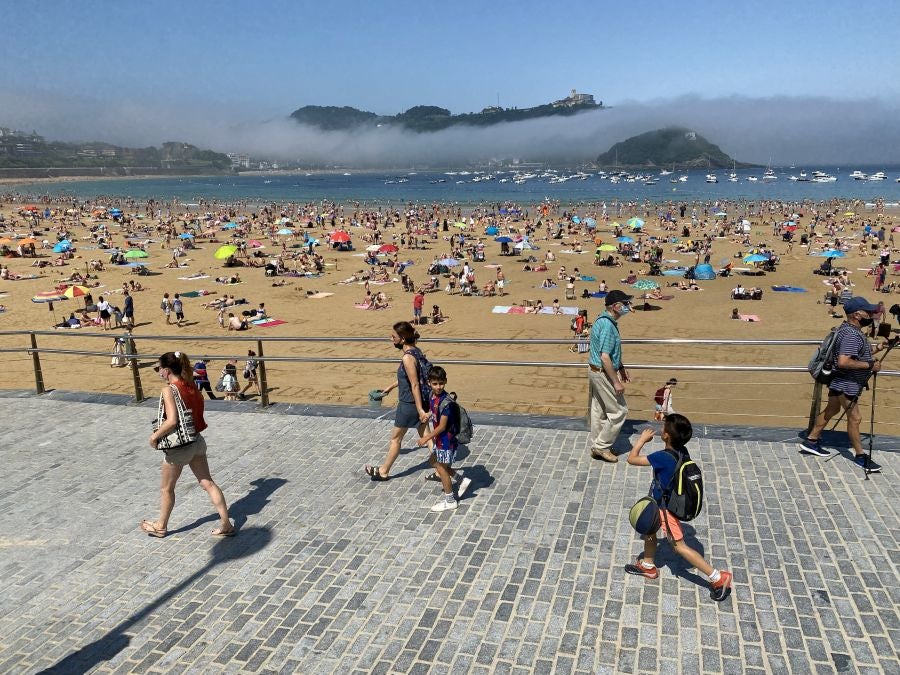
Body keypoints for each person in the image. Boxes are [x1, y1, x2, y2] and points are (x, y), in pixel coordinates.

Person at [624, 414, 733, 601]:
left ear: (666, 436)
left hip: (666, 508)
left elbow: (632, 459)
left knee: (680, 547)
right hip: (661, 503)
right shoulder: (682, 451)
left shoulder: (662, 457)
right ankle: (648, 566)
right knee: (650, 530)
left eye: (663, 428)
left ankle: (717, 577)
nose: (661, 429)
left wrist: (642, 439)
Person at [139, 351, 234, 538]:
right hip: (197, 441)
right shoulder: (191, 386)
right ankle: (226, 524)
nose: (158, 372)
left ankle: (160, 526)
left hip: (179, 448)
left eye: (159, 369)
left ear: (167, 371)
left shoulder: (169, 390)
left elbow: (172, 421)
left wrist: (154, 437)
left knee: (167, 488)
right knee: (208, 483)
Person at [800, 297, 888, 472]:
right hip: (846, 382)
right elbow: (844, 361)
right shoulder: (851, 334)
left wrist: (877, 349)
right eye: (867, 312)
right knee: (855, 418)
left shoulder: (846, 330)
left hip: (838, 380)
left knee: (832, 410)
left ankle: (811, 441)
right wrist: (871, 365)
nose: (870, 314)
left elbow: (856, 353)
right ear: (857, 314)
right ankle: (861, 456)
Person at [364, 321, 431, 481]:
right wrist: (391, 387)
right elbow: (410, 379)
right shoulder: (416, 351)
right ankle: (444, 466)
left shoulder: (408, 358)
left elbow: (414, 384)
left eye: (393, 336)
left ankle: (383, 471)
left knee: (396, 439)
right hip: (419, 401)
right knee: (428, 437)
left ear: (402, 339)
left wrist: (420, 410)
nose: (391, 338)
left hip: (409, 404)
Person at [416, 366, 472, 511]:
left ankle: (450, 500)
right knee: (434, 462)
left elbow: (441, 427)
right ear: (429, 383)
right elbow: (433, 411)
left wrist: (425, 438)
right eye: (435, 383)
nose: (438, 386)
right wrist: (428, 414)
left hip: (446, 441)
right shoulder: (432, 396)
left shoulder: (446, 403)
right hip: (440, 440)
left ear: (445, 381)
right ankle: (461, 480)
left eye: (441, 383)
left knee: (441, 468)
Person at [588, 289, 632, 462]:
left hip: (595, 370)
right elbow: (605, 356)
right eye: (625, 303)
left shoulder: (603, 320)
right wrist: (617, 382)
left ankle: (598, 445)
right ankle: (601, 446)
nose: (628, 306)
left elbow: (610, 353)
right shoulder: (608, 325)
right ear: (615, 306)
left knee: (598, 410)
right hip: (602, 372)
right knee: (619, 411)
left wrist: (620, 367)